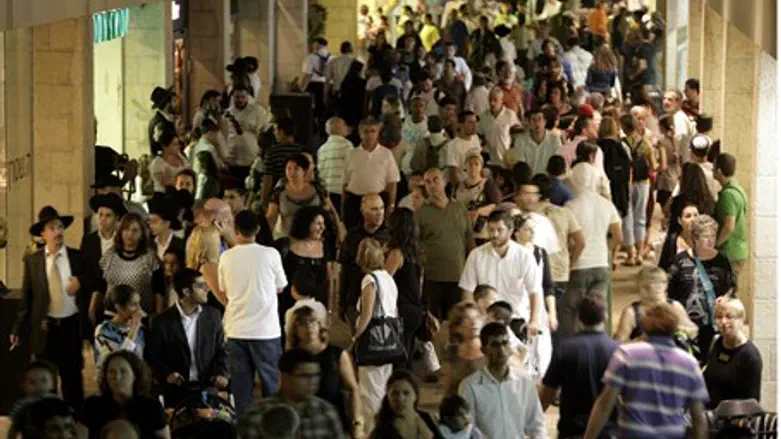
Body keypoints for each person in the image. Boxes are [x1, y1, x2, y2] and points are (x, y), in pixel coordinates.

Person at [583, 303, 709, 439]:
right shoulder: (689, 363)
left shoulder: (626, 355)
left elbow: (605, 404)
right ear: (674, 327)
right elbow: (698, 418)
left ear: (645, 325)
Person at [11, 206, 89, 412]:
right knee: (46, 380)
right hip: (45, 328)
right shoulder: (33, 260)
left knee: (72, 378)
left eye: (60, 227)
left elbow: (95, 279)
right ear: (43, 234)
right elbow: (27, 297)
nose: (58, 232)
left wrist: (81, 281)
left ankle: (75, 420)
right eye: (52, 228)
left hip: (70, 325)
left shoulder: (77, 257)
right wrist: (17, 329)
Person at [218, 210, 287, 415]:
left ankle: (244, 431)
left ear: (236, 230)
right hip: (266, 332)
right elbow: (281, 286)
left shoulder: (226, 257)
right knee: (272, 389)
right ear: (257, 229)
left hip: (236, 330)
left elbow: (224, 290)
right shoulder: (271, 254)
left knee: (241, 391)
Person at [145, 268, 229, 408]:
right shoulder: (161, 322)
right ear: (186, 292)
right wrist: (167, 375)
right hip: (176, 389)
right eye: (201, 286)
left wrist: (222, 373)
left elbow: (222, 350)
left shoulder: (213, 316)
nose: (207, 289)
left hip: (207, 386)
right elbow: (152, 356)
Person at [540, 295, 618, 439]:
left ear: (579, 318)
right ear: (605, 316)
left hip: (572, 428)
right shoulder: (618, 350)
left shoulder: (565, 348)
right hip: (608, 429)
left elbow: (548, 391)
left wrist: (534, 418)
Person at [460, 210, 543, 340]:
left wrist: (533, 321)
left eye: (500, 230)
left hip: (516, 318)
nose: (494, 234)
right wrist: (472, 318)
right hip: (485, 320)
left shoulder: (525, 256)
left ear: (510, 231)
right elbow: (467, 291)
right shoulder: (476, 255)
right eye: (491, 230)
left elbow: (535, 291)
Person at [560, 165, 622, 337]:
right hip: (601, 264)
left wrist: (569, 263)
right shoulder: (606, 204)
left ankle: (573, 352)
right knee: (597, 312)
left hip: (579, 266)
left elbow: (568, 239)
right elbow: (618, 236)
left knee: (572, 313)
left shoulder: (570, 206)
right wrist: (608, 252)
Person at [461, 322, 548, 439]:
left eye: (505, 343)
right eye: (495, 345)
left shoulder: (524, 381)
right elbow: (467, 430)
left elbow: (536, 425)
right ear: (483, 350)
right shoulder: (470, 386)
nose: (501, 350)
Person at [668, 214, 735, 359]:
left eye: (713, 235)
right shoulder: (680, 260)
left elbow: (731, 287)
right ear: (695, 238)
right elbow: (669, 291)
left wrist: (726, 298)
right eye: (706, 236)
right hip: (685, 325)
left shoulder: (722, 262)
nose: (711, 240)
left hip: (711, 326)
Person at [351, 237, 400, 432]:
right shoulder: (388, 278)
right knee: (382, 385)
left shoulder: (370, 279)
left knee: (370, 391)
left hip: (373, 339)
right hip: (389, 338)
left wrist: (355, 338)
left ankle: (372, 430)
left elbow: (367, 313)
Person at [287, 306, 361, 434]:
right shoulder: (291, 358)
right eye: (303, 324)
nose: (309, 327)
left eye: (312, 321)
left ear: (319, 325)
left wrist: (357, 423)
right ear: (295, 329)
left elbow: (353, 388)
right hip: (301, 423)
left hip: (333, 420)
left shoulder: (336, 354)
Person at [417, 168, 475, 320]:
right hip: (433, 278)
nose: (432, 185)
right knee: (433, 323)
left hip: (459, 276)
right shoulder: (421, 212)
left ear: (444, 181)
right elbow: (415, 243)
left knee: (457, 322)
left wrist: (475, 266)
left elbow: (469, 237)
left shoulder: (459, 207)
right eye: (427, 182)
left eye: (436, 180)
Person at [255, 348, 345, 438]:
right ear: (285, 377)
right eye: (305, 376)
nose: (313, 381)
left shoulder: (326, 412)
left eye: (316, 375)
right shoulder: (259, 415)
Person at [80, 351, 169, 438]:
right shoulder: (93, 406)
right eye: (111, 371)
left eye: (123, 371)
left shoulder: (152, 408)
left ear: (135, 375)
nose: (117, 377)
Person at [91, 213, 158, 319]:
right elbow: (100, 285)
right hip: (112, 316)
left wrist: (157, 317)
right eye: (126, 229)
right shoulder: (110, 254)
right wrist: (92, 307)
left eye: (135, 230)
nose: (129, 234)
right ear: (120, 231)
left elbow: (158, 290)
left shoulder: (150, 257)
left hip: (139, 316)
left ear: (142, 234)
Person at [385, 208, 427, 371]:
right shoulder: (414, 252)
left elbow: (385, 280)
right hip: (414, 309)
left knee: (399, 357)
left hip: (402, 310)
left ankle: (401, 382)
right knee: (407, 352)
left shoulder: (396, 253)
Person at [279, 206, 331, 336]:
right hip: (289, 304)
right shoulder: (286, 245)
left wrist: (329, 310)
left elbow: (328, 280)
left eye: (323, 224)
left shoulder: (326, 246)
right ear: (306, 224)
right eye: (318, 223)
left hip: (316, 306)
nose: (322, 227)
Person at [339, 193, 390, 326]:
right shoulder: (352, 237)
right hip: (355, 296)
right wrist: (341, 304)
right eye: (374, 209)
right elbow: (344, 271)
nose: (379, 213)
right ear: (363, 211)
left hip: (383, 301)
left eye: (381, 208)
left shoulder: (391, 236)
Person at [703, 297, 762, 409]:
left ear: (741, 320)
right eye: (719, 317)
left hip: (733, 420)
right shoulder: (716, 342)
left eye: (729, 317)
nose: (723, 322)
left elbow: (752, 403)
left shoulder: (750, 356)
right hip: (709, 417)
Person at [81, 194, 127, 338]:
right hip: (94, 300)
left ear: (117, 218)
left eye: (108, 215)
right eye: (100, 214)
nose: (102, 219)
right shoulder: (88, 240)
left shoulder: (123, 241)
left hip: (118, 301)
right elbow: (85, 270)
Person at [342, 117, 400, 229]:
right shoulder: (351, 154)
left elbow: (392, 182)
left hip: (378, 202)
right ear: (360, 133)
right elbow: (345, 184)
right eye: (366, 131)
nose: (369, 135)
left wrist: (391, 205)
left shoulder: (386, 154)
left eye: (373, 131)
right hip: (355, 202)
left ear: (378, 133)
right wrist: (342, 209)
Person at [266, 154, 340, 239]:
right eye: (289, 168)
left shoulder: (318, 189)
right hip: (290, 241)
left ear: (304, 171)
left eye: (296, 168)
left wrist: (338, 233)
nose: (292, 172)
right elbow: (271, 218)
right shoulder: (279, 192)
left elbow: (330, 212)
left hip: (317, 241)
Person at [614, 266, 697, 341]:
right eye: (653, 283)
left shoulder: (675, 306)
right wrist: (639, 341)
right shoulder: (632, 312)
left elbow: (694, 330)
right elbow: (618, 343)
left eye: (662, 282)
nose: (658, 286)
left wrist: (680, 329)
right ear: (642, 287)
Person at [370, 370, 440, 439]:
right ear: (388, 396)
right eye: (395, 393)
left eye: (406, 393)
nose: (400, 399)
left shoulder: (427, 419)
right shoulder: (382, 427)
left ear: (415, 396)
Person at [93, 285, 145, 377]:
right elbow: (120, 360)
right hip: (114, 382)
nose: (139, 310)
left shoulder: (140, 329)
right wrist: (134, 328)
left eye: (139, 304)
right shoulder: (103, 331)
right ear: (119, 307)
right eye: (133, 305)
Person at [713, 153, 748, 283]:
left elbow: (729, 225)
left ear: (719, 171)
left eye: (714, 167)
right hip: (738, 249)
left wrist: (715, 245)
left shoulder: (728, 195)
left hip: (730, 252)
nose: (712, 170)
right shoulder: (738, 189)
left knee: (727, 294)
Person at [453, 152, 502, 241]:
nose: (473, 168)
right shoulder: (458, 186)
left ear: (481, 167)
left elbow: (496, 204)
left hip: (480, 231)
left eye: (476, 164)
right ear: (465, 166)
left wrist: (478, 212)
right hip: (461, 229)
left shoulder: (487, 184)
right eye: (470, 164)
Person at [441, 302, 487, 397]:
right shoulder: (452, 351)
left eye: (477, 318)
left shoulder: (491, 349)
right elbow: (448, 386)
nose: (474, 322)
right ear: (457, 326)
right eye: (467, 319)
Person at [7, 360, 58, 439]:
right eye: (32, 382)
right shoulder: (23, 406)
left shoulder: (58, 402)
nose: (39, 385)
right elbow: (14, 428)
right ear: (23, 386)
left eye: (44, 380)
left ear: (53, 383)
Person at [504, 108, 561, 174]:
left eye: (540, 119)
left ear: (545, 122)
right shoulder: (521, 140)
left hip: (548, 181)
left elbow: (557, 163)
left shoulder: (554, 139)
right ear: (529, 122)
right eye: (533, 120)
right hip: (529, 180)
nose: (537, 123)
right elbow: (522, 166)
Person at [261, 117, 305, 203]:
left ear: (281, 132)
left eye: (275, 130)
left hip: (279, 197)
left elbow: (268, 179)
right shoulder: (302, 151)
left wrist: (264, 200)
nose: (274, 133)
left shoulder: (272, 152)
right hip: (300, 195)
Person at [318, 117, 354, 210]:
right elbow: (351, 170)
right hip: (342, 192)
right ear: (340, 127)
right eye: (345, 125)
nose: (347, 128)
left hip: (326, 193)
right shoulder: (347, 145)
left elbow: (320, 173)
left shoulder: (322, 149)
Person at [477, 87, 520, 165]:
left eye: (495, 100)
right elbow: (479, 136)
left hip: (506, 160)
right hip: (489, 160)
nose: (492, 103)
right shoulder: (483, 117)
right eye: (490, 100)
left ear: (502, 100)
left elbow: (517, 136)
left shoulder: (510, 115)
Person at [443, 111, 481, 186]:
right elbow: (453, 174)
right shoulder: (453, 145)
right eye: (470, 122)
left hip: (477, 182)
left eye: (475, 122)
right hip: (463, 183)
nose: (475, 125)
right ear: (461, 125)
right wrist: (460, 191)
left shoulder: (475, 138)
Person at [149, 127, 190, 193]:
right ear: (164, 146)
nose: (178, 146)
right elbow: (165, 182)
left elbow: (190, 171)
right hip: (164, 196)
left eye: (178, 144)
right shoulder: (157, 162)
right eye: (174, 144)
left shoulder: (181, 157)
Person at [148, 86, 177, 156]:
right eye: (173, 101)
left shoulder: (166, 120)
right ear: (168, 104)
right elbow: (160, 149)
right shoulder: (159, 123)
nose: (176, 104)